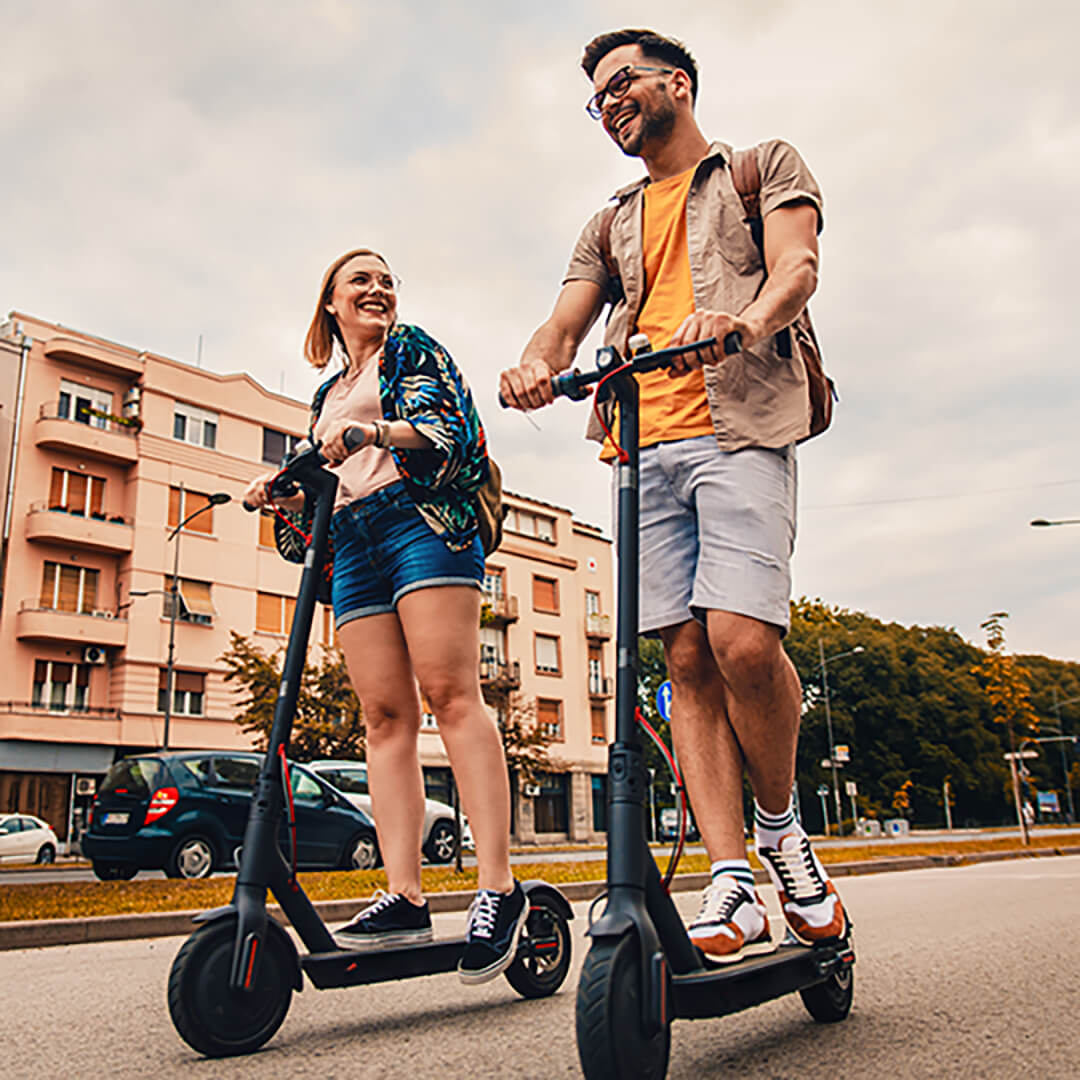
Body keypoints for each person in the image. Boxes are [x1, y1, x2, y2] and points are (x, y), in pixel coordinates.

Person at [499, 29, 848, 963]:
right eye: (596, 98)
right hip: (642, 443)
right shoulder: (609, 220)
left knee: (743, 640)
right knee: (686, 658)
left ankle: (781, 832)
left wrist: (743, 320)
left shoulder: (760, 167)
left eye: (621, 84)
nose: (608, 103)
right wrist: (539, 362)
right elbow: (566, 318)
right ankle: (731, 878)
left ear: (677, 84)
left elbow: (798, 268)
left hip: (740, 428)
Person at [244, 247, 525, 984]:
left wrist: (375, 433)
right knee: (383, 717)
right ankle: (403, 892)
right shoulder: (327, 393)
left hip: (419, 522)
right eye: (359, 281)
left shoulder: (411, 350)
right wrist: (286, 494)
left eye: (386, 280)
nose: (377, 289)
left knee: (452, 694)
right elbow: (330, 477)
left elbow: (449, 431)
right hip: (356, 537)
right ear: (330, 304)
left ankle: (498, 886)